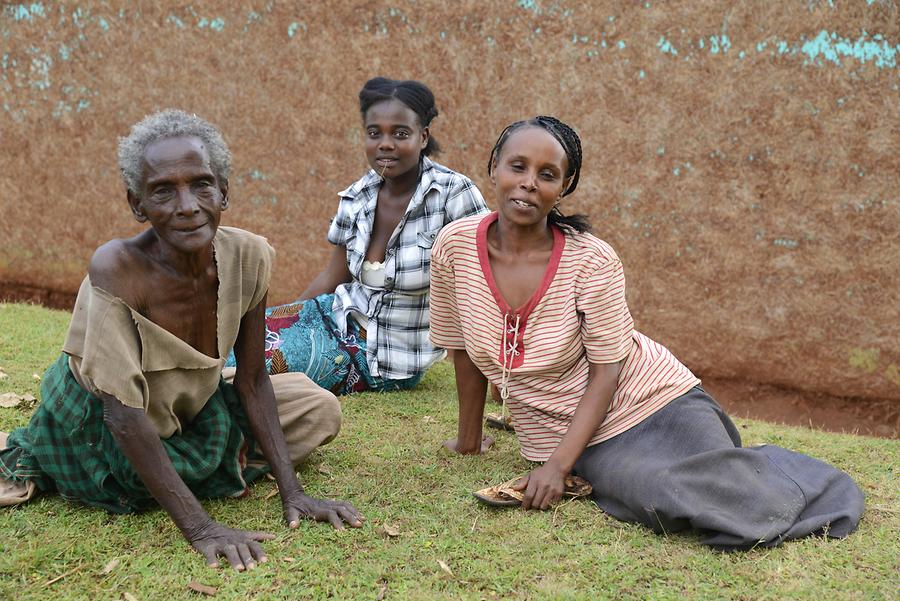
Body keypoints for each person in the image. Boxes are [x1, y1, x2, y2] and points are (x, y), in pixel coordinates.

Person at [429, 116, 864, 549]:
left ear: (564, 187)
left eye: (547, 175)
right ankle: (735, 473)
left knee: (716, 501)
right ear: (494, 167)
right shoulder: (454, 247)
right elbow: (462, 350)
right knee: (660, 497)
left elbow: (608, 372)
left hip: (656, 400)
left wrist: (557, 469)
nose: (528, 183)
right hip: (572, 432)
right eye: (517, 166)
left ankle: (800, 480)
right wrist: (469, 441)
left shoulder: (592, 261)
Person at [0, 110, 363, 570]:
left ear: (224, 192)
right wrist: (202, 528)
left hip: (191, 408)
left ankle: (194, 463)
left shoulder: (249, 255)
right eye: (163, 191)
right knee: (131, 470)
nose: (187, 204)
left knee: (317, 406)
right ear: (137, 205)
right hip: (107, 420)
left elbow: (252, 381)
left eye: (201, 184)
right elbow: (122, 415)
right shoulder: (118, 269)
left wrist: (294, 492)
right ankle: (174, 470)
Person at [228, 77, 488, 395]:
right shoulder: (358, 196)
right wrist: (286, 322)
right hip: (335, 315)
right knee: (233, 335)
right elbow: (334, 275)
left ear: (423, 137)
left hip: (383, 357)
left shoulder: (453, 194)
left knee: (242, 368)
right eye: (374, 133)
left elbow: (484, 286)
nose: (385, 144)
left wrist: (495, 374)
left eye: (400, 133)